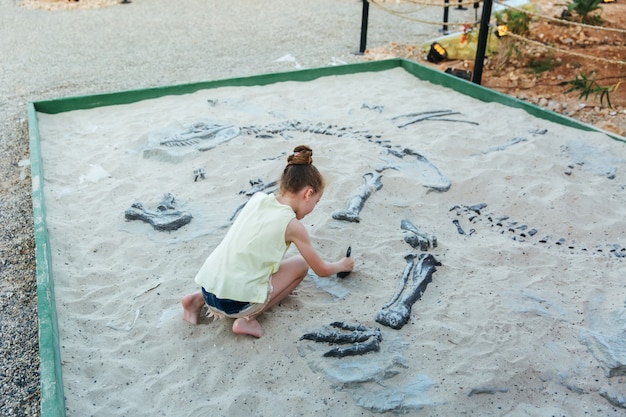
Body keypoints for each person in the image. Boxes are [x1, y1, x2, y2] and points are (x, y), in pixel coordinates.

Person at [182, 145, 354, 338]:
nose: (313, 207)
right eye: (316, 202)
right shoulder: (293, 225)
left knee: (248, 260)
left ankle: (195, 301)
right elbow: (321, 270)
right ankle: (247, 320)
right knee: (300, 265)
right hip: (234, 304)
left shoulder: (258, 199)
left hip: (207, 288)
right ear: (307, 194)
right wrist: (342, 265)